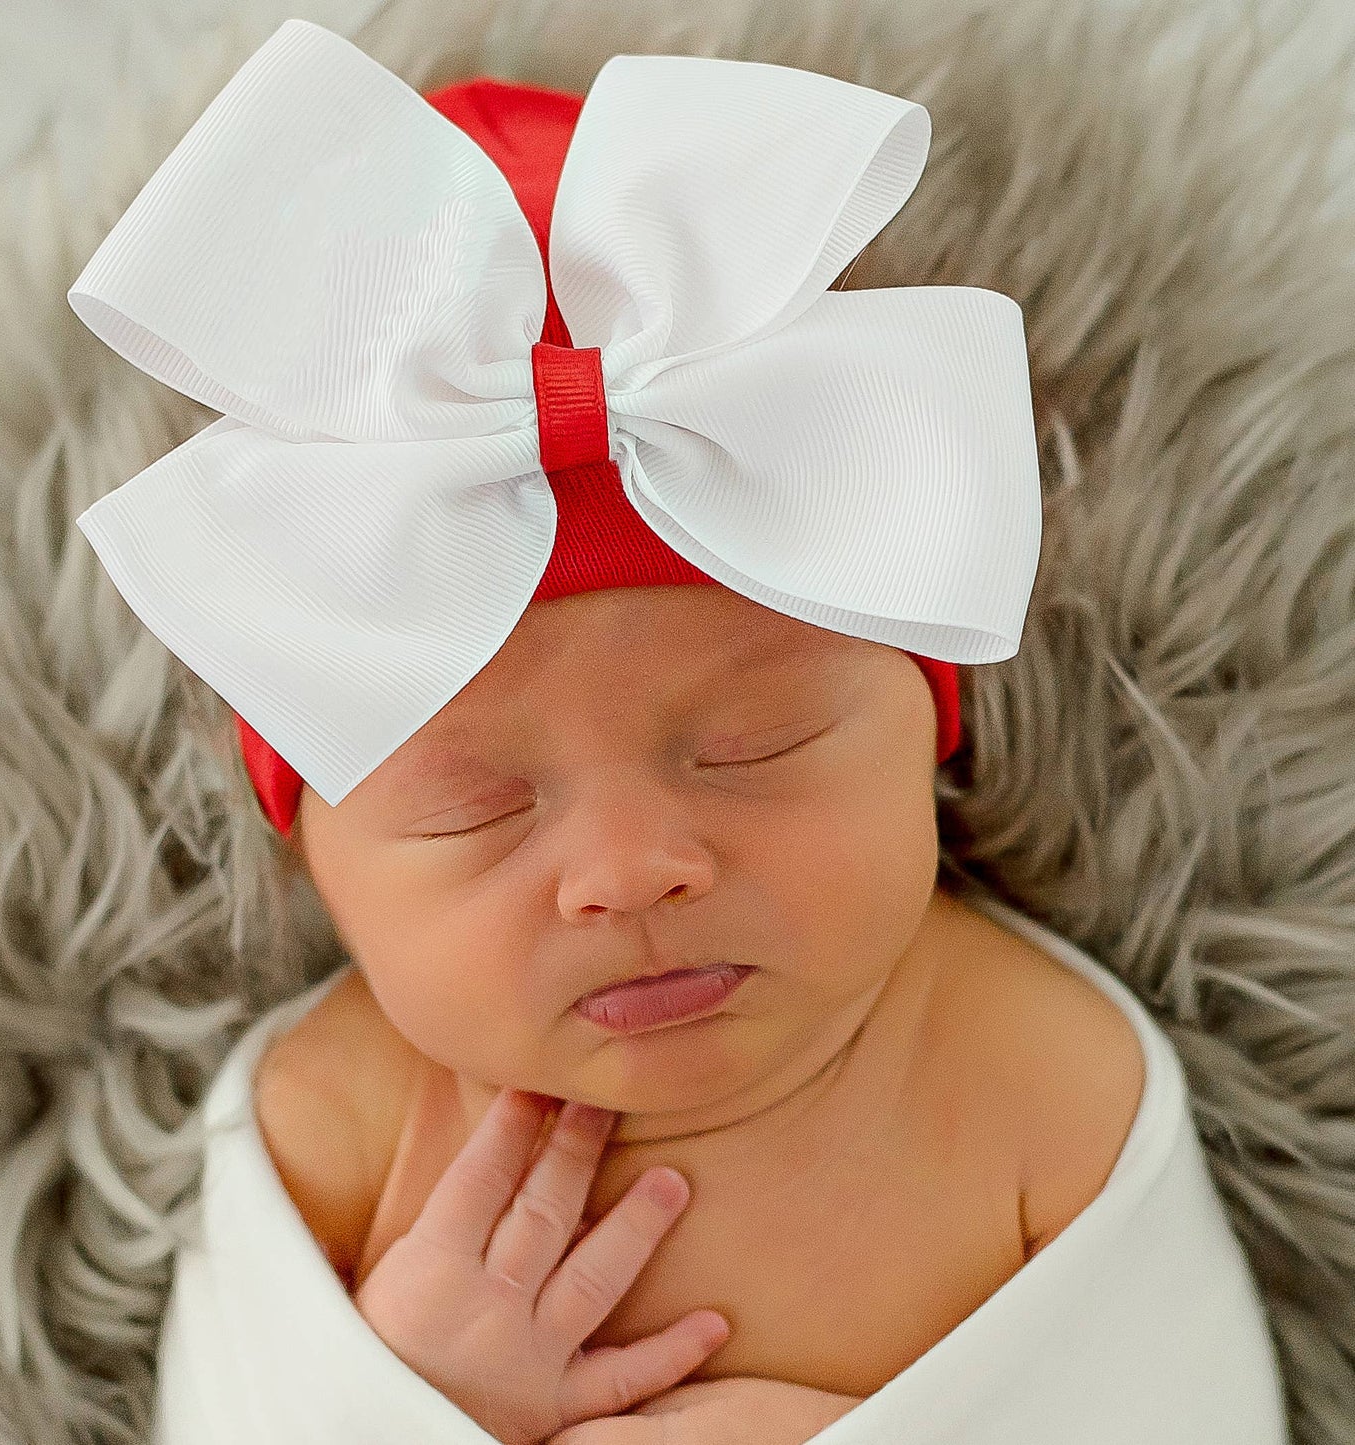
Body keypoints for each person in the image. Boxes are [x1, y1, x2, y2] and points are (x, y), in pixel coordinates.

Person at [66, 19, 1290, 1444]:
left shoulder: (1037, 1081)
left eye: (757, 742)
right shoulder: (328, 1124)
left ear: (928, 738)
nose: (631, 869)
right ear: (309, 867)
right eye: (474, 807)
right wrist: (407, 1397)